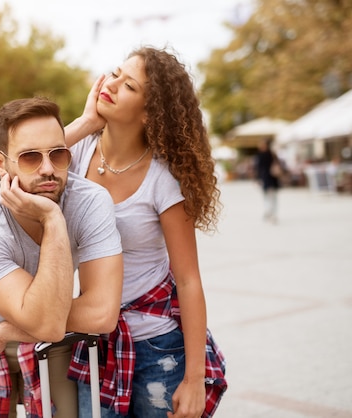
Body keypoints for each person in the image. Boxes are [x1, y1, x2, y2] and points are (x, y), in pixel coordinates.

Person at [0, 97, 124, 418]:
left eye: (58, 154)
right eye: (30, 157)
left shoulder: (91, 201)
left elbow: (102, 315)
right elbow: (46, 321)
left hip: (46, 325)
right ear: (0, 164)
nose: (48, 169)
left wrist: (52, 219)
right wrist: (53, 218)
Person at [64, 46, 227, 417]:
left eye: (129, 86)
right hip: (94, 341)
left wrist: (194, 379)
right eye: (115, 73)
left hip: (158, 347)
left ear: (150, 113)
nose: (112, 84)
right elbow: (17, 167)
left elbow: (188, 280)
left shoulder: (162, 180)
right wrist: (87, 122)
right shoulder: (75, 153)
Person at [254, 138, 281, 224]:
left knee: (267, 196)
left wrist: (257, 178)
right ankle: (272, 213)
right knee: (272, 197)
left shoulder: (261, 155)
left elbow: (258, 168)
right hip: (272, 179)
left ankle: (269, 212)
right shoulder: (273, 155)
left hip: (266, 179)